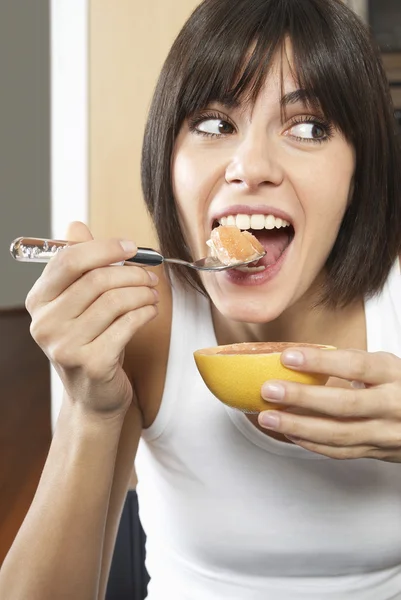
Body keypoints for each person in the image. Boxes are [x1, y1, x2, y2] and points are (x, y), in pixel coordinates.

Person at [1, 0, 401, 598]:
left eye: (309, 127)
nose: (252, 167)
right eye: (215, 125)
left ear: (359, 174)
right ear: (167, 158)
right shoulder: (144, 325)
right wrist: (91, 408)